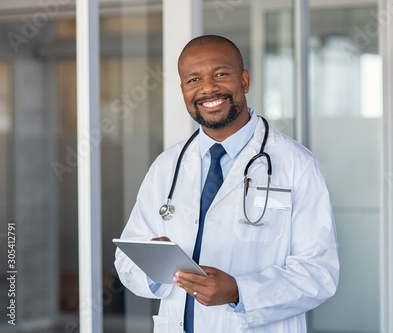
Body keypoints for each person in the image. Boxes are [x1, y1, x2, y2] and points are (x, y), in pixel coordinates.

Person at [115, 35, 339, 333]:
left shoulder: (296, 165)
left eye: (220, 74)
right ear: (183, 91)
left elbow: (319, 272)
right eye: (193, 79)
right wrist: (155, 268)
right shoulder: (166, 167)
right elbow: (127, 258)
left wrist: (238, 292)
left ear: (244, 81)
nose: (208, 88)